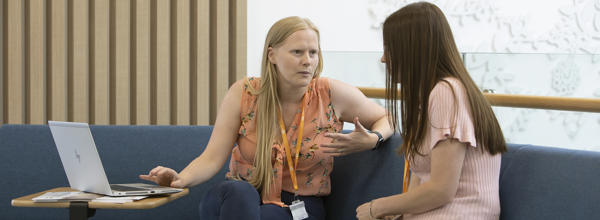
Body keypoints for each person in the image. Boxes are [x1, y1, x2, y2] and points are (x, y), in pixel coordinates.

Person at [140, 16, 393, 220]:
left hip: (299, 205)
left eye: (313, 53)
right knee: (237, 193)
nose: (307, 61)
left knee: (267, 215)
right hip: (238, 196)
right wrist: (180, 178)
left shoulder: (330, 93)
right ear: (272, 55)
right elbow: (211, 157)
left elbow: (387, 118)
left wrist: (373, 138)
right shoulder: (245, 92)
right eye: (297, 52)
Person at [356, 2, 507, 220]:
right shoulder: (427, 98)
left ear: (413, 49)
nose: (383, 58)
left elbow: (441, 190)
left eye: (390, 48)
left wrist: (378, 207)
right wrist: (400, 212)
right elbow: (423, 179)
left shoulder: (447, 92)